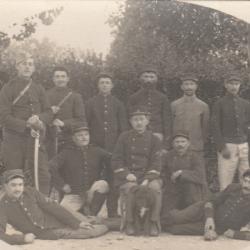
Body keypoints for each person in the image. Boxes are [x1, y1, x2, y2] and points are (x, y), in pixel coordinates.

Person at [0, 169, 108, 245]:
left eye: (20, 184)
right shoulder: (2, 206)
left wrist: (76, 222)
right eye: (13, 185)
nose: (18, 189)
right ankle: (114, 224)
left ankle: (115, 223)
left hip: (59, 217)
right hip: (50, 232)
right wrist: (22, 239)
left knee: (89, 222)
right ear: (5, 186)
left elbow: (52, 207)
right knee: (92, 231)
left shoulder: (30, 191)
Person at [0, 52, 53, 195]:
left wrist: (39, 118)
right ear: (17, 66)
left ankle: (41, 209)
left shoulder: (39, 88)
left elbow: (49, 112)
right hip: (14, 140)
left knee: (42, 175)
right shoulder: (8, 88)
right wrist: (27, 124)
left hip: (34, 139)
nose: (27, 67)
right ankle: (12, 211)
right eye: (24, 63)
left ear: (34, 68)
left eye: (30, 64)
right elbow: (4, 117)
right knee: (14, 175)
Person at [112, 106, 162, 236]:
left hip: (147, 176)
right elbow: (116, 159)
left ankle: (153, 223)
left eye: (141, 119)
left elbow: (157, 162)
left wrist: (147, 179)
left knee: (155, 188)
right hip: (128, 176)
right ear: (130, 122)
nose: (138, 122)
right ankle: (130, 223)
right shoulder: (124, 137)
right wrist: (127, 174)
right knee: (131, 189)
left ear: (147, 121)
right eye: (135, 120)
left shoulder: (154, 139)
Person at [162, 169, 250, 242]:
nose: (246, 185)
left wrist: (236, 234)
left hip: (217, 228)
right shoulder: (233, 188)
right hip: (203, 210)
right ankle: (153, 221)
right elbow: (211, 201)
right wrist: (209, 218)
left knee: (176, 230)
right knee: (176, 218)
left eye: (249, 183)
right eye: (245, 181)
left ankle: (160, 225)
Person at [86, 72, 128, 218]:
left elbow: (123, 128)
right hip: (95, 147)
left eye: (107, 83)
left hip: (113, 148)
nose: (104, 85)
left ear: (112, 86)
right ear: (98, 85)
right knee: (95, 177)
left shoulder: (118, 103)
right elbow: (86, 125)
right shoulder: (90, 103)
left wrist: (120, 147)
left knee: (113, 178)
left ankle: (112, 211)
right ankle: (92, 211)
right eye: (102, 82)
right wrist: (90, 145)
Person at [49, 122, 111, 216]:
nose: (84, 138)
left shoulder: (96, 150)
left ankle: (92, 213)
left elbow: (113, 159)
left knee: (103, 184)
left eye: (86, 134)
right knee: (63, 213)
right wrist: (62, 184)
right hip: (75, 194)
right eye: (80, 135)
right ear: (73, 138)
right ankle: (82, 212)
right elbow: (51, 166)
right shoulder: (66, 152)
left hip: (91, 193)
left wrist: (105, 176)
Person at [211, 73, 250, 191]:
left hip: (243, 145)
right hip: (228, 146)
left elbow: (247, 125)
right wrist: (222, 147)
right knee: (225, 181)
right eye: (231, 84)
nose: (234, 87)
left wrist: (246, 143)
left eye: (236, 84)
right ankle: (224, 207)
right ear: (225, 85)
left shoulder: (245, 104)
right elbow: (215, 127)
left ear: (240, 86)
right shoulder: (219, 104)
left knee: (247, 177)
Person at [161, 131, 209, 219]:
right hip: (173, 189)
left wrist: (181, 173)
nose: (180, 144)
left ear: (188, 143)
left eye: (183, 142)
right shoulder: (168, 156)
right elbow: (162, 172)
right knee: (166, 218)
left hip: (191, 192)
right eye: (177, 142)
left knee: (192, 214)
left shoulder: (195, 156)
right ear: (173, 144)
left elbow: (200, 176)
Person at [46, 66, 86, 159]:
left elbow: (81, 120)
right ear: (53, 79)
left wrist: (64, 123)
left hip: (69, 139)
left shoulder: (75, 96)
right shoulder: (45, 95)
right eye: (57, 76)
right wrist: (49, 112)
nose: (60, 79)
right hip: (49, 140)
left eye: (63, 76)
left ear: (68, 79)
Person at [128, 67, 172, 149]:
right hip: (139, 133)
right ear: (140, 78)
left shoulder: (163, 98)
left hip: (158, 133)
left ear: (156, 79)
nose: (149, 80)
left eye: (152, 77)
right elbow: (130, 118)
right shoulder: (134, 98)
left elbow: (167, 120)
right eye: (146, 76)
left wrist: (167, 141)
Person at [171, 74, 209, 154]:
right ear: (182, 87)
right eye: (186, 84)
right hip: (178, 147)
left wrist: (201, 142)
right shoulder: (174, 105)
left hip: (196, 147)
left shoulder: (203, 106)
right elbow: (170, 125)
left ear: (196, 86)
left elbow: (205, 128)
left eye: (192, 84)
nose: (189, 87)